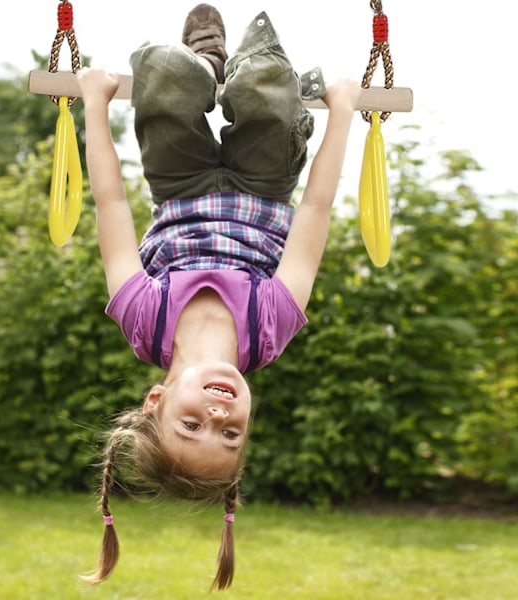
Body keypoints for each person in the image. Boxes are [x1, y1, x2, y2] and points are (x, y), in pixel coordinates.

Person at [77, 4, 361, 591]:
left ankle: (204, 63)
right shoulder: (271, 326)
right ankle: (240, 72)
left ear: (156, 400)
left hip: (177, 187)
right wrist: (341, 115)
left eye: (191, 425)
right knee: (265, 86)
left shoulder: (144, 319)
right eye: (230, 434)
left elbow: (109, 207)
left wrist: (96, 108)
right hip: (266, 184)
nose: (218, 416)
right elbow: (315, 212)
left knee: (164, 71)